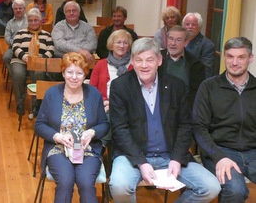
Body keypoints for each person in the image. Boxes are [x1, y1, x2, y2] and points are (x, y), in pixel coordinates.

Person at [108, 38, 220, 203]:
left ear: (159, 60)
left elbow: (185, 125)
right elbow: (119, 129)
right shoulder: (120, 86)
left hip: (170, 155)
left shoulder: (176, 85)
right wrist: (141, 162)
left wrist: (177, 158)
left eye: (149, 60)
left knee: (211, 187)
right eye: (138, 60)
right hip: (132, 155)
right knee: (119, 186)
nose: (144, 65)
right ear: (132, 61)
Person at [34, 51, 109, 203]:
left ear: (85, 74)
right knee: (65, 182)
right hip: (58, 148)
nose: (74, 77)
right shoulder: (52, 93)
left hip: (88, 149)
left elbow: (104, 125)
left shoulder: (94, 94)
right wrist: (58, 137)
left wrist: (92, 132)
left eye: (79, 73)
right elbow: (39, 125)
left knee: (87, 184)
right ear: (63, 73)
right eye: (70, 72)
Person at [193, 37, 256, 202]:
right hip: (221, 151)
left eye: (241, 57)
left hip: (253, 152)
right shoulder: (209, 87)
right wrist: (218, 156)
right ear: (224, 57)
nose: (234, 62)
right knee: (236, 190)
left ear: (250, 58)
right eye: (230, 56)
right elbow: (199, 128)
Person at [10, 8, 54, 117]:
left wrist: (41, 59)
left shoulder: (47, 35)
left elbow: (51, 49)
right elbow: (15, 47)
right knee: (18, 74)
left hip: (39, 61)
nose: (33, 23)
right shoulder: (20, 33)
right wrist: (25, 57)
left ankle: (36, 105)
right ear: (28, 21)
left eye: (35, 20)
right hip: (21, 60)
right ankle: (20, 103)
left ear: (40, 22)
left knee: (39, 74)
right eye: (30, 20)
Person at [158, 25, 204, 108]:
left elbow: (196, 93)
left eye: (178, 40)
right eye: (170, 39)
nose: (173, 43)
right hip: (159, 104)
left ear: (186, 43)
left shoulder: (196, 64)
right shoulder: (157, 58)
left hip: (184, 107)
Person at [89, 29, 133, 113]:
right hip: (103, 106)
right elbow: (92, 89)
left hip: (127, 108)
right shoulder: (100, 64)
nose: (122, 46)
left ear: (129, 46)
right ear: (111, 45)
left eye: (125, 43)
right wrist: (104, 102)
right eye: (118, 42)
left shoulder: (134, 65)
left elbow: (136, 92)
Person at [183, 12, 216, 79]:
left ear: (200, 27)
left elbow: (206, 73)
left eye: (193, 25)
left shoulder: (207, 45)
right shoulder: (178, 41)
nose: (190, 27)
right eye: (187, 24)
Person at [3, 0, 28, 74]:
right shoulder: (10, 23)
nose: (18, 10)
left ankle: (25, 74)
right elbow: (7, 37)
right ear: (13, 10)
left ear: (24, 9)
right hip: (13, 47)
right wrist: (15, 44)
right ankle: (14, 76)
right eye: (16, 8)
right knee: (6, 57)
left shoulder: (30, 20)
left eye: (20, 8)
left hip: (28, 47)